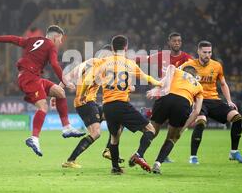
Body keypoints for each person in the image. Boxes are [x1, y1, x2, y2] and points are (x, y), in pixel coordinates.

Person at [0, 25, 84, 158]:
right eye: (60, 39)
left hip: (31, 77)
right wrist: (66, 82)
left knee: (59, 92)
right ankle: (34, 138)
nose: (60, 42)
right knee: (43, 107)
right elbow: (55, 64)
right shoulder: (51, 45)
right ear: (55, 37)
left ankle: (67, 127)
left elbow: (12, 39)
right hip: (30, 77)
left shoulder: (33, 40)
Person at [81, 35, 162, 174]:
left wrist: (83, 94)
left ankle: (115, 168)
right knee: (150, 130)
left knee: (114, 137)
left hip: (108, 106)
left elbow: (88, 79)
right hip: (122, 104)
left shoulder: (104, 62)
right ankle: (139, 154)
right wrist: (160, 83)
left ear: (112, 48)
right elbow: (146, 78)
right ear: (126, 47)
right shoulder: (129, 63)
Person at [180, 41, 242, 164]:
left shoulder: (217, 66)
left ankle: (234, 152)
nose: (207, 55)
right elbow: (177, 78)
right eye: (205, 52)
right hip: (199, 100)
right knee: (201, 121)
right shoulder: (189, 65)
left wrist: (229, 101)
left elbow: (223, 84)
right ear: (198, 52)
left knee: (237, 117)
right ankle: (193, 157)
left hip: (214, 100)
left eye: (209, 52)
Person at [61, 45, 122, 168]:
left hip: (88, 102)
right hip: (86, 102)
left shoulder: (86, 64)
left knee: (118, 118)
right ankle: (70, 160)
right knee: (96, 133)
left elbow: (67, 77)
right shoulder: (98, 65)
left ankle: (109, 150)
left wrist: (56, 92)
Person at [136, 32, 192, 163]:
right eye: (174, 41)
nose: (177, 43)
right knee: (154, 129)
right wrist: (126, 60)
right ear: (169, 42)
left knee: (173, 132)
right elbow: (144, 59)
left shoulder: (187, 59)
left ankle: (162, 156)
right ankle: (140, 153)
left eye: (179, 41)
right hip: (163, 97)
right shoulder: (162, 56)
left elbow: (195, 73)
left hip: (179, 98)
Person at [146, 64, 204, 174]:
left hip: (166, 99)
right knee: (172, 138)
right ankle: (157, 164)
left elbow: (165, 77)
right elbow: (196, 111)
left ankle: (139, 153)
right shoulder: (199, 86)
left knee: (151, 130)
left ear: (184, 71)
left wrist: (155, 91)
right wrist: (182, 129)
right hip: (183, 104)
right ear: (195, 75)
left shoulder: (177, 72)